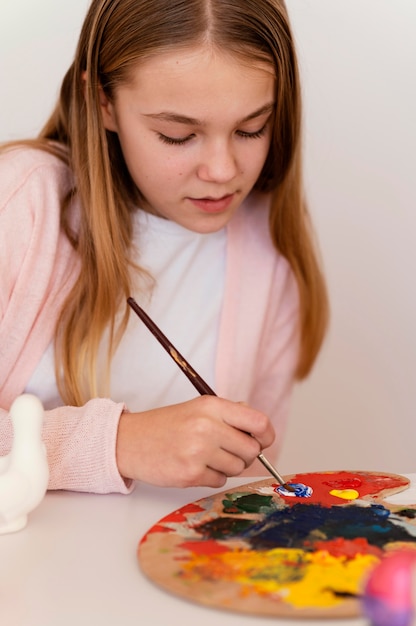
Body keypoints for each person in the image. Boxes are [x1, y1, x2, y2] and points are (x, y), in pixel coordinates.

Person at [0, 0, 328, 494]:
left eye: (251, 128)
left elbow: (249, 487)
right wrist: (119, 443)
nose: (221, 170)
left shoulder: (268, 251)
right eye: (177, 135)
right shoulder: (22, 200)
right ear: (104, 103)